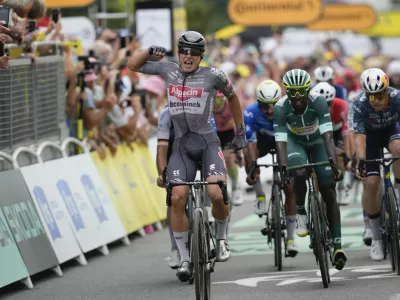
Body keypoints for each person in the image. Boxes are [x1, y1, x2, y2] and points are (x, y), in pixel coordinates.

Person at [127, 31, 247, 282]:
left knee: (216, 193)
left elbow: (233, 98)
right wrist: (149, 51)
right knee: (178, 195)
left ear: (202, 56)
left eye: (194, 53)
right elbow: (132, 65)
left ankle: (222, 238)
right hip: (182, 147)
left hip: (207, 143)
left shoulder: (213, 76)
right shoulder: (167, 70)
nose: (188, 57)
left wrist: (240, 132)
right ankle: (183, 257)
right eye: (184, 51)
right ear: (178, 52)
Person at [273, 69, 347, 270]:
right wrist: (283, 169)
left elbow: (328, 136)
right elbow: (280, 141)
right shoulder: (280, 107)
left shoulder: (319, 102)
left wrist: (333, 163)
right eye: (292, 92)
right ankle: (300, 211)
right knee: (298, 172)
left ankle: (338, 246)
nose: (297, 97)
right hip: (295, 143)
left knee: (328, 189)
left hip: (318, 142)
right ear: (287, 91)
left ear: (308, 89)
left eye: (301, 91)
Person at [156, 105, 217, 269]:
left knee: (211, 181)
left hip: (202, 150)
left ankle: (207, 215)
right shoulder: (166, 114)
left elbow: (213, 147)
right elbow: (161, 149)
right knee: (174, 197)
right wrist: (162, 174)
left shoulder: (203, 109)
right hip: (175, 154)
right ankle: (175, 248)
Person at [244, 79, 298, 257]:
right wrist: (253, 168)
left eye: (272, 106)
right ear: (258, 103)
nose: (268, 110)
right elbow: (250, 143)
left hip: (285, 142)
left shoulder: (289, 109)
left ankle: (290, 239)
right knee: (248, 153)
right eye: (264, 106)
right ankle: (259, 195)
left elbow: (296, 140)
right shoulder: (250, 113)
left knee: (289, 188)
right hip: (262, 142)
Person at [353, 68, 400, 261]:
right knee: (371, 183)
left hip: (392, 130)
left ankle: (397, 188)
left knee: (398, 148)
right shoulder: (359, 104)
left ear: (387, 91)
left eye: (380, 95)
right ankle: (376, 237)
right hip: (370, 137)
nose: (377, 101)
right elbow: (359, 138)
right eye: (372, 97)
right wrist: (361, 162)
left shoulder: (397, 97)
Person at [311, 82, 351, 204]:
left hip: (336, 132)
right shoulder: (310, 109)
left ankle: (341, 186)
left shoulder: (343, 106)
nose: (327, 108)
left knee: (339, 154)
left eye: (329, 104)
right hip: (318, 133)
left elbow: (346, 133)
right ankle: (315, 197)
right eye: (322, 104)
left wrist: (347, 156)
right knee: (316, 161)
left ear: (334, 101)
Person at [213, 90, 242, 206]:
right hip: (213, 133)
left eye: (219, 100)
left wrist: (239, 151)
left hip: (228, 133)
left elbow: (239, 124)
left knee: (229, 157)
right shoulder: (206, 107)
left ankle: (235, 186)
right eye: (214, 100)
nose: (216, 104)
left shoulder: (230, 105)